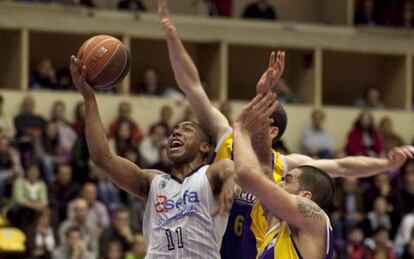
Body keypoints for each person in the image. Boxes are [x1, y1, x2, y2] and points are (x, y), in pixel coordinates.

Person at [157, 0, 414, 257]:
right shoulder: (227, 137)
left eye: (259, 115)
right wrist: (171, 36)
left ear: (272, 132)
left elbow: (343, 166)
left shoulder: (288, 168)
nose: (248, 118)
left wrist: (385, 165)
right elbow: (192, 86)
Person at [69, 53, 237, 258]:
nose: (176, 132)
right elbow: (102, 158)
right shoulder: (153, 182)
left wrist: (231, 179)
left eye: (186, 130)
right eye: (174, 130)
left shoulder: (210, 175)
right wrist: (89, 98)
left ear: (204, 147)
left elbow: (230, 168)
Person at [232, 94, 334, 258]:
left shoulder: (313, 217)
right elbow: (264, 167)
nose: (277, 184)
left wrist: (240, 130)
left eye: (286, 181)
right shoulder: (275, 234)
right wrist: (263, 93)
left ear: (305, 196)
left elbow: (247, 175)